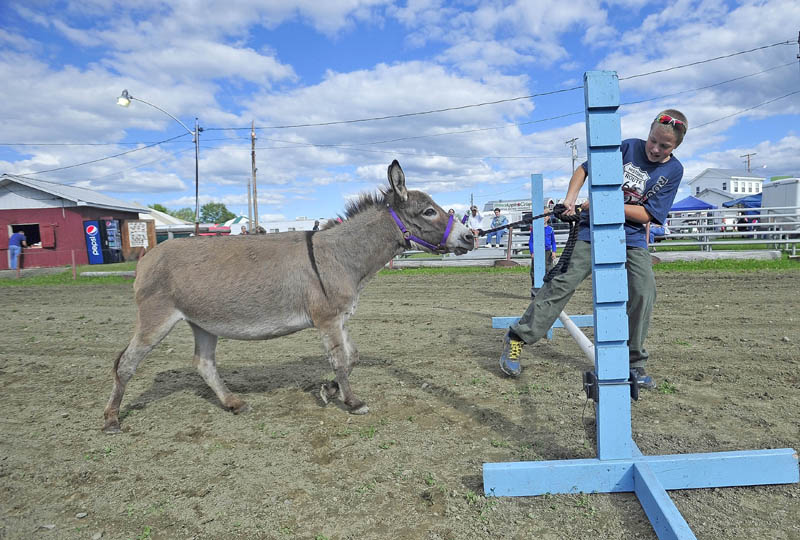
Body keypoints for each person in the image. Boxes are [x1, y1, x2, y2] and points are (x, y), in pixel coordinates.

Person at [499, 109, 688, 390]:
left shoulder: (674, 171)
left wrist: (605, 203)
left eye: (664, 146)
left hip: (631, 236)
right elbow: (584, 169)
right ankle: (517, 337)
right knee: (563, 282)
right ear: (648, 133)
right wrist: (571, 200)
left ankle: (633, 362)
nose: (655, 149)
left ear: (676, 147)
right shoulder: (627, 147)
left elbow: (648, 215)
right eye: (653, 140)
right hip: (592, 229)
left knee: (644, 291)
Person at [529, 213, 557, 297]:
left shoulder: (550, 229)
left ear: (548, 217)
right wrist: (532, 252)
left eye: (546, 216)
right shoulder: (535, 229)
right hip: (537, 252)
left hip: (547, 252)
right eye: (543, 216)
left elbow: (553, 242)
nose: (544, 218)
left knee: (549, 270)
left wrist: (554, 251)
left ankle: (548, 291)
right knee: (534, 272)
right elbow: (531, 241)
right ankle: (535, 291)